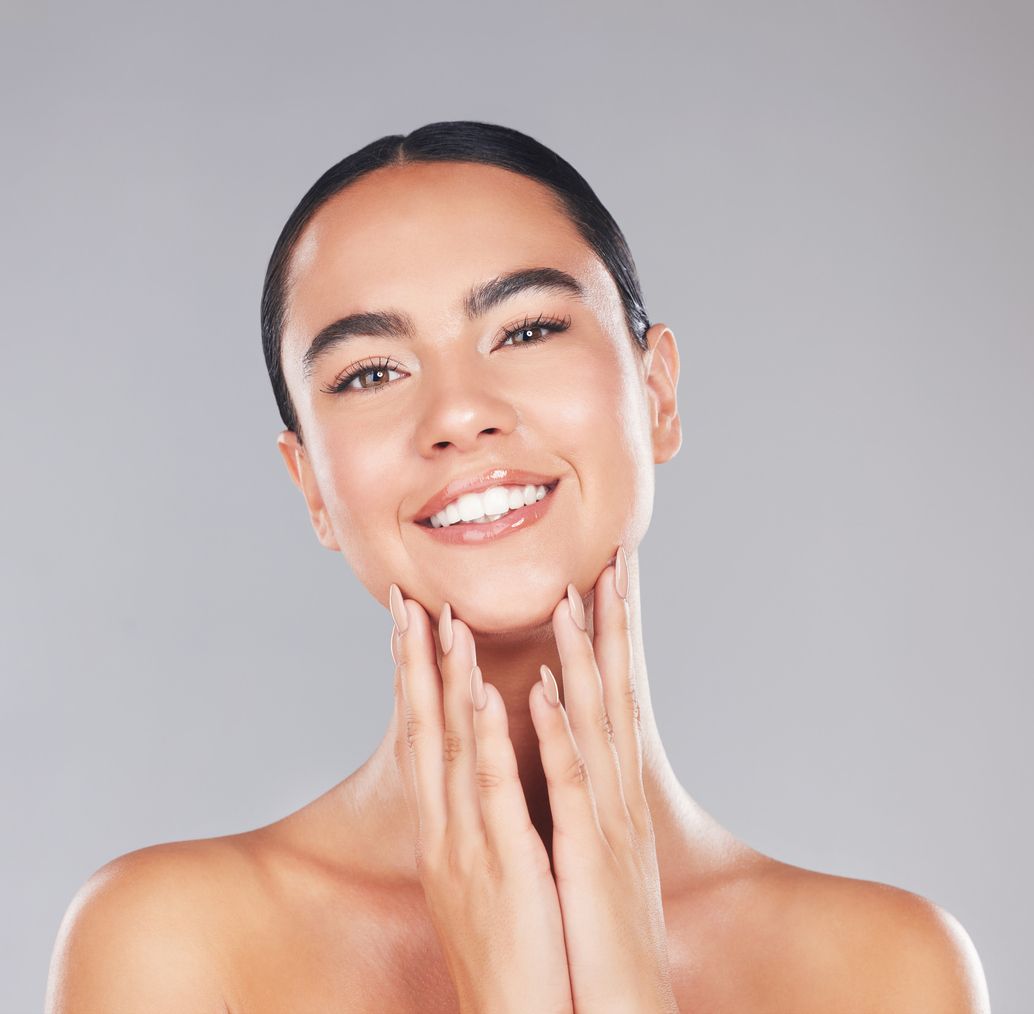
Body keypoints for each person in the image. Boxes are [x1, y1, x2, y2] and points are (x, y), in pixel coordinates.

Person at [46, 120, 990, 1013]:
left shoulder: (884, 970)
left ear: (656, 392)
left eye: (528, 330)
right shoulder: (174, 943)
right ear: (312, 488)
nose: (459, 412)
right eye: (371, 372)